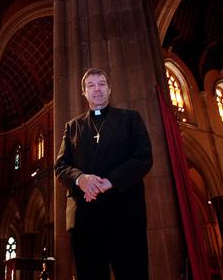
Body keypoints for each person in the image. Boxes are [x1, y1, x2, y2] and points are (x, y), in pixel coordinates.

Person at [55, 67, 152, 280]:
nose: (96, 89)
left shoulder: (130, 119)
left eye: (101, 84)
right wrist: (81, 179)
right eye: (91, 85)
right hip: (86, 220)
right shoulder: (72, 127)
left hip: (124, 215)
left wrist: (110, 182)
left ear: (110, 89)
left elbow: (143, 158)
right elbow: (60, 166)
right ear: (84, 93)